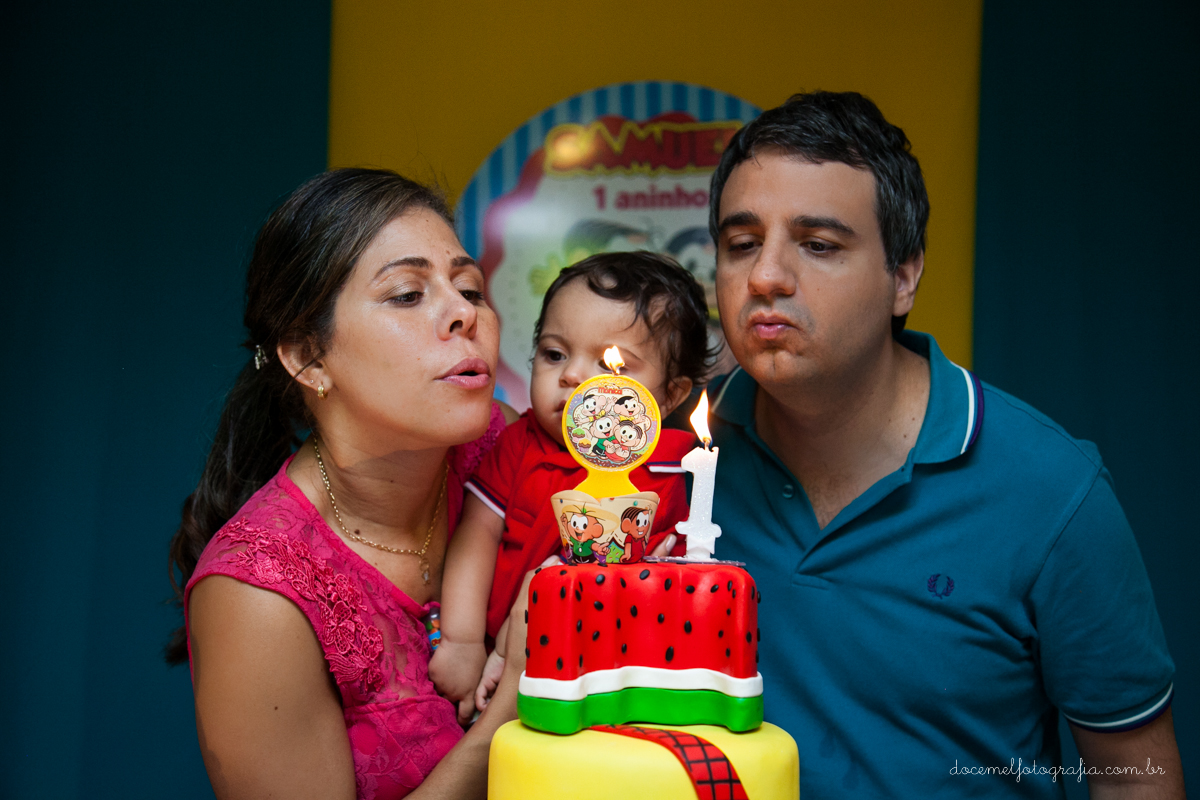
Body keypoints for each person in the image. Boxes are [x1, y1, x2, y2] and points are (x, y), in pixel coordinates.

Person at [703, 92, 1184, 797]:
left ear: (903, 277)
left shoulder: (1052, 492)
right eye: (741, 244)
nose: (766, 276)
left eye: (819, 244)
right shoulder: (673, 463)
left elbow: (1133, 778)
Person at [166, 168, 530, 800]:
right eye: (407, 295)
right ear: (308, 356)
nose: (463, 315)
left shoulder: (507, 449)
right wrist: (508, 716)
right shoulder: (259, 594)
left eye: (469, 288)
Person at [430, 252, 717, 717]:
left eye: (612, 365)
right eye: (554, 354)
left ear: (669, 396)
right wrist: (463, 641)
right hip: (495, 664)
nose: (572, 376)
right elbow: (476, 535)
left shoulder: (670, 467)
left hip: (604, 669)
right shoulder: (520, 444)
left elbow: (652, 577)